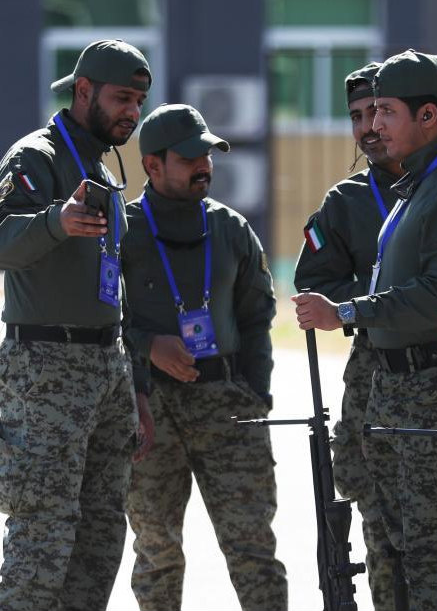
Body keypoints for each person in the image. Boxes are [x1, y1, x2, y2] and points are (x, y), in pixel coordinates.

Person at [294, 49, 437, 610]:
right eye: (369, 113)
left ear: (428, 116)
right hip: (395, 389)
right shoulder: (417, 186)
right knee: (398, 547)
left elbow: (435, 296)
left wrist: (347, 313)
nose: (372, 127)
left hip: (432, 389)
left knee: (434, 558)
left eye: (385, 112)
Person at [0, 38, 152, 611]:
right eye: (122, 98)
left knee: (100, 535)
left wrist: (135, 386)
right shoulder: (35, 157)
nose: (131, 113)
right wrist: (55, 221)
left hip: (104, 365)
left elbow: (116, 286)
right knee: (42, 536)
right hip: (45, 369)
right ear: (83, 91)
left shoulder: (100, 168)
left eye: (139, 101)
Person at [121, 103, 287, 611]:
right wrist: (149, 346)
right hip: (149, 408)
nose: (205, 166)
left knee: (253, 547)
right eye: (190, 157)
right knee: (156, 550)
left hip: (228, 405)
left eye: (209, 155)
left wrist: (255, 392)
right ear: (152, 165)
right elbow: (97, 321)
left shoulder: (231, 228)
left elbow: (258, 314)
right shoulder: (121, 231)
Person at [293, 61, 407, 611]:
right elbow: (311, 281)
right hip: (372, 366)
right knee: (374, 510)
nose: (368, 128)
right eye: (357, 117)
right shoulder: (347, 201)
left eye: (379, 113)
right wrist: (373, 299)